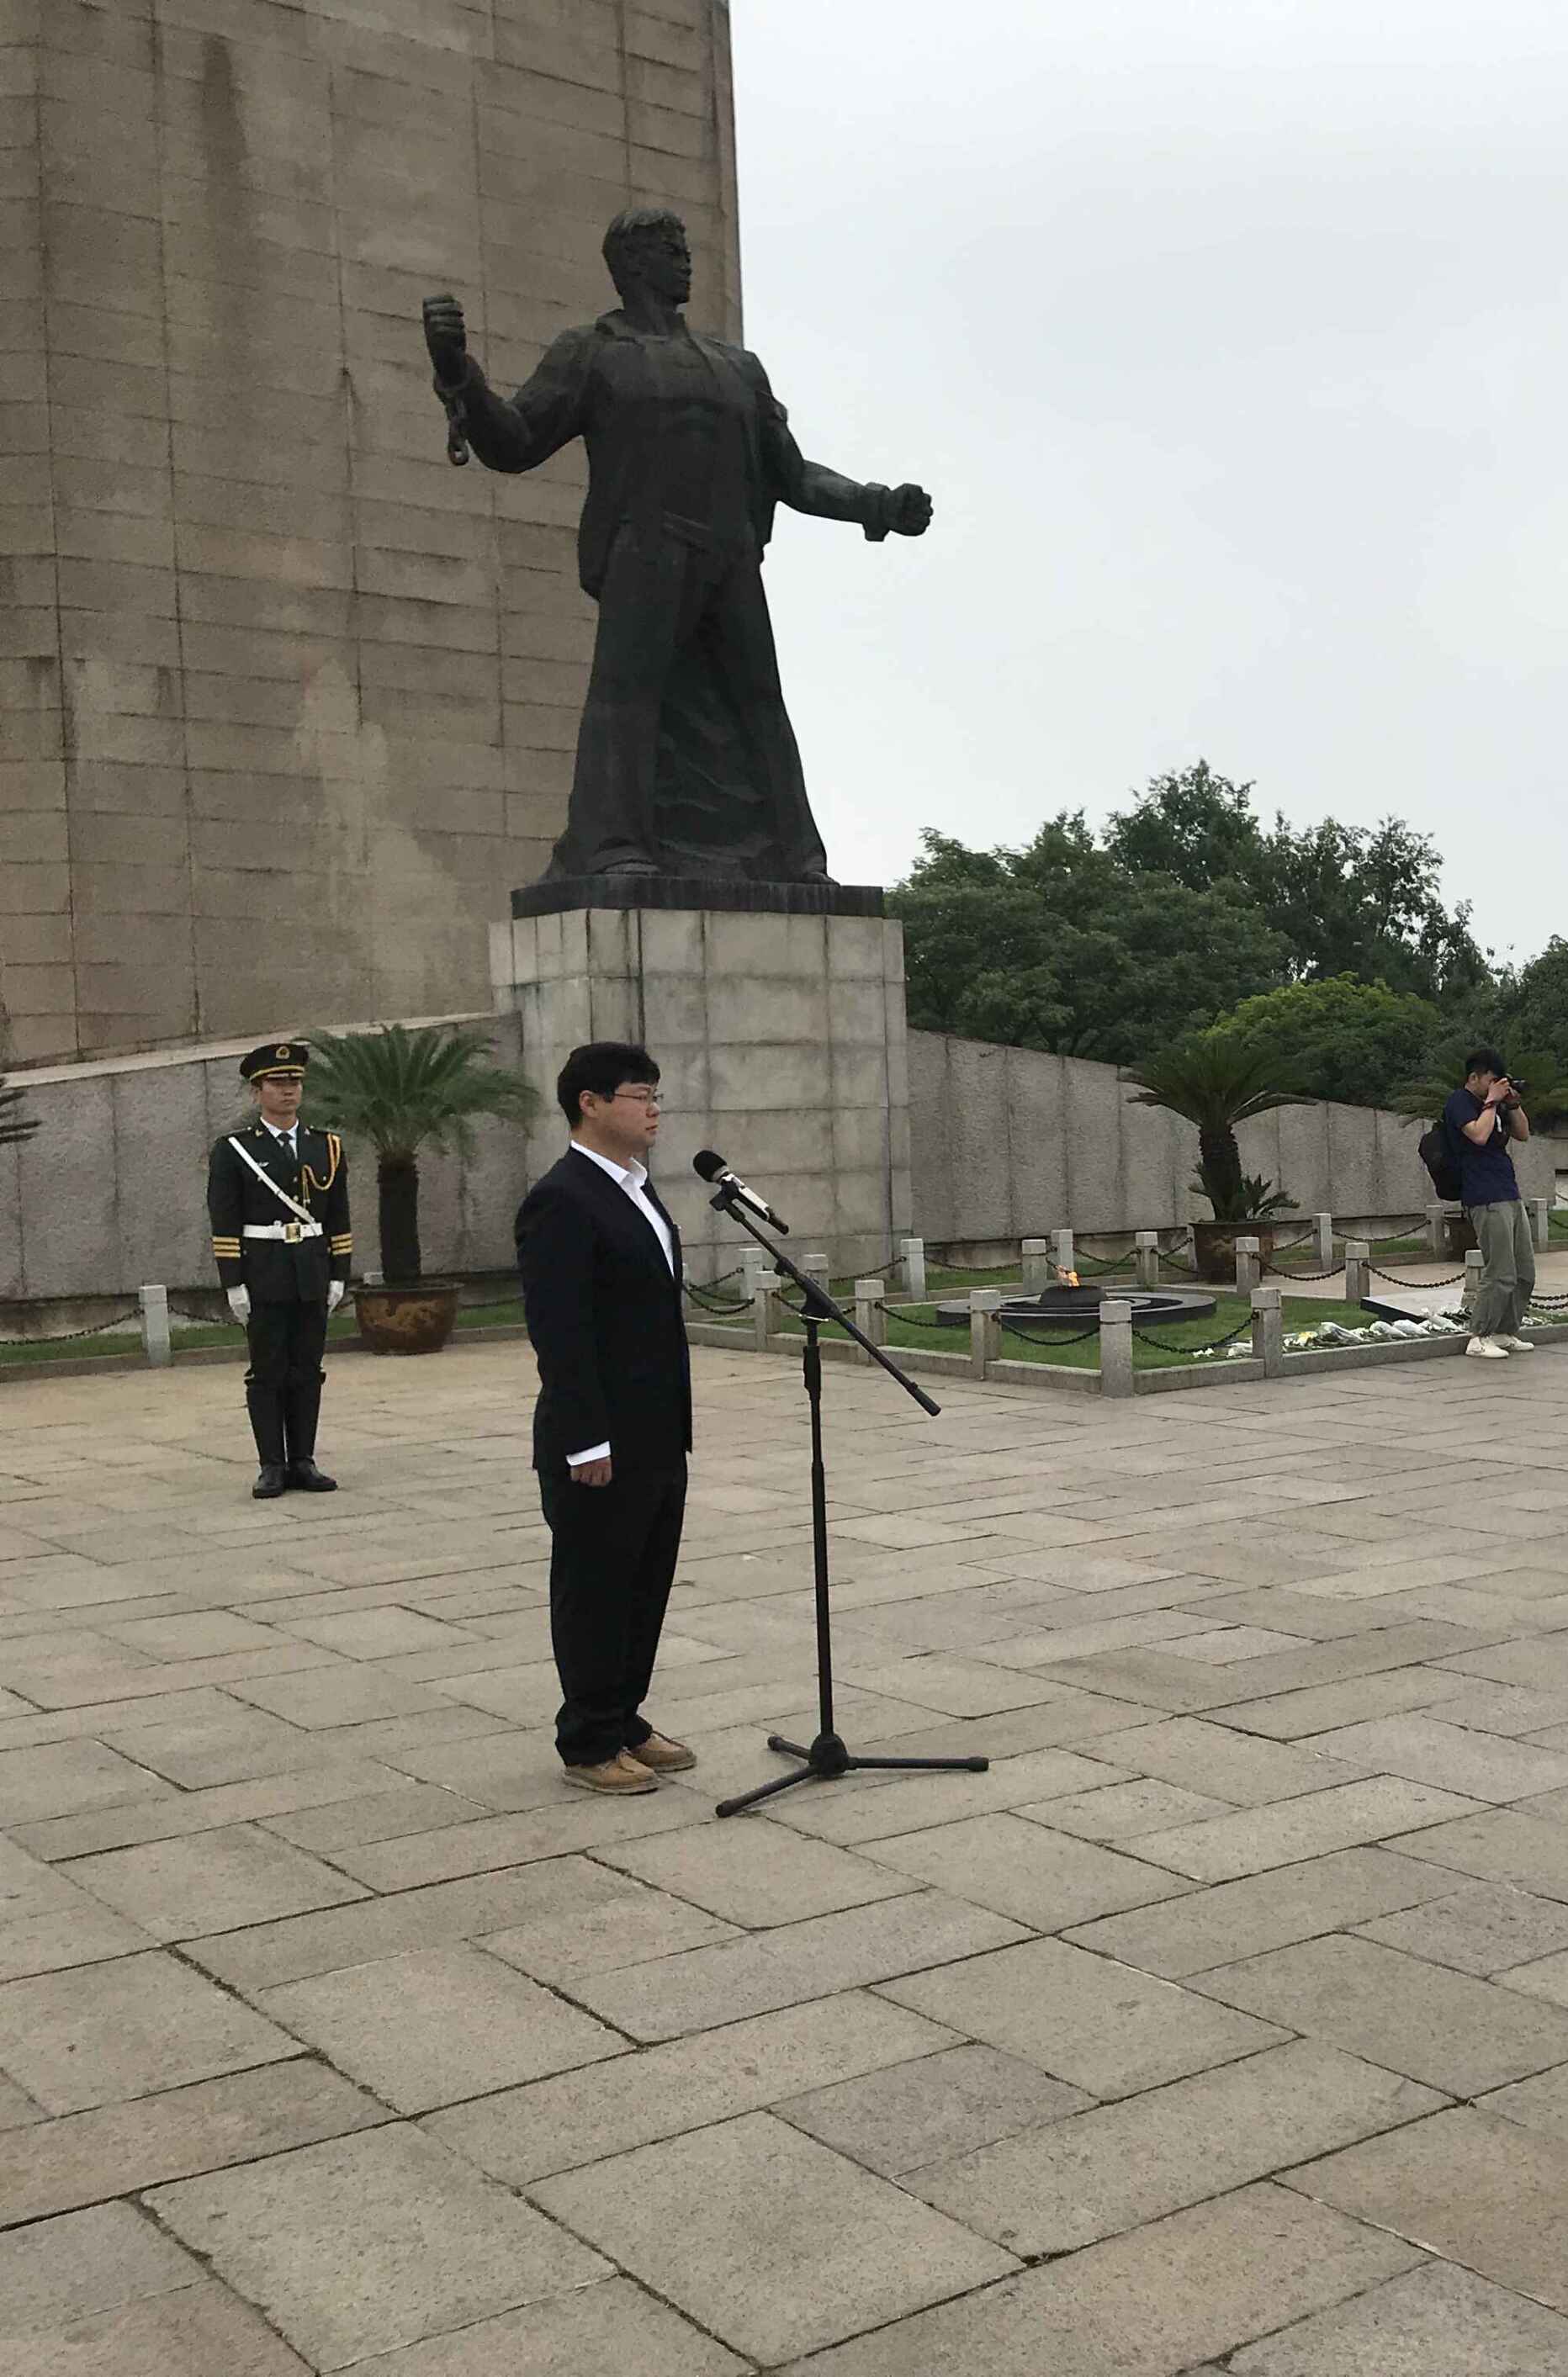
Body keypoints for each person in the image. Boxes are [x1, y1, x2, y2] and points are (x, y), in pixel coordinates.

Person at [421, 209, 933, 882]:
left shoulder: (738, 367)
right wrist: (458, 373)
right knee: (626, 699)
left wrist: (875, 503)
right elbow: (515, 442)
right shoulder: (592, 352)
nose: (686, 260)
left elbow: (791, 473)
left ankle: (796, 857)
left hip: (732, 553)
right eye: (671, 249)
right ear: (632, 263)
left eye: (684, 248)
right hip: (647, 544)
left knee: (760, 702)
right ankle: (614, 847)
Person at [518, 1042, 697, 1795]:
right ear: (589, 1104)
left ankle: (624, 1716)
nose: (654, 1109)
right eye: (639, 1095)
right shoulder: (563, 1198)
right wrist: (585, 1439)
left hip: (656, 1429)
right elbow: (561, 1332)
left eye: (657, 1095)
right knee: (595, 1587)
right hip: (599, 1439)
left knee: (644, 1582)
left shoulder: (636, 1189)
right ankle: (588, 1740)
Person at [207, 1042, 354, 1499]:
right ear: (257, 1092)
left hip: (311, 1271)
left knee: (307, 1370)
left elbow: (339, 1216)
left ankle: (303, 1461)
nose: (288, 1091)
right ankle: (272, 1464)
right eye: (277, 1083)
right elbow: (225, 1221)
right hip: (264, 1273)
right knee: (268, 1371)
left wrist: (339, 1273)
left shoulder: (326, 1146)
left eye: (295, 1082)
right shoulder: (235, 1150)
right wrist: (233, 1283)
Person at [1444, 1050, 1534, 1360]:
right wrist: (1491, 1102)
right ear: (1474, 1078)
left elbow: (1523, 1134)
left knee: (1524, 1271)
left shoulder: (1497, 1105)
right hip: (1484, 1195)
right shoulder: (1459, 1102)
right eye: (1492, 1080)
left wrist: (1513, 1104)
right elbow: (1479, 1136)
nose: (1496, 1086)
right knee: (1500, 1271)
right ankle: (1479, 1336)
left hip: (1508, 1191)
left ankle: (1505, 1331)